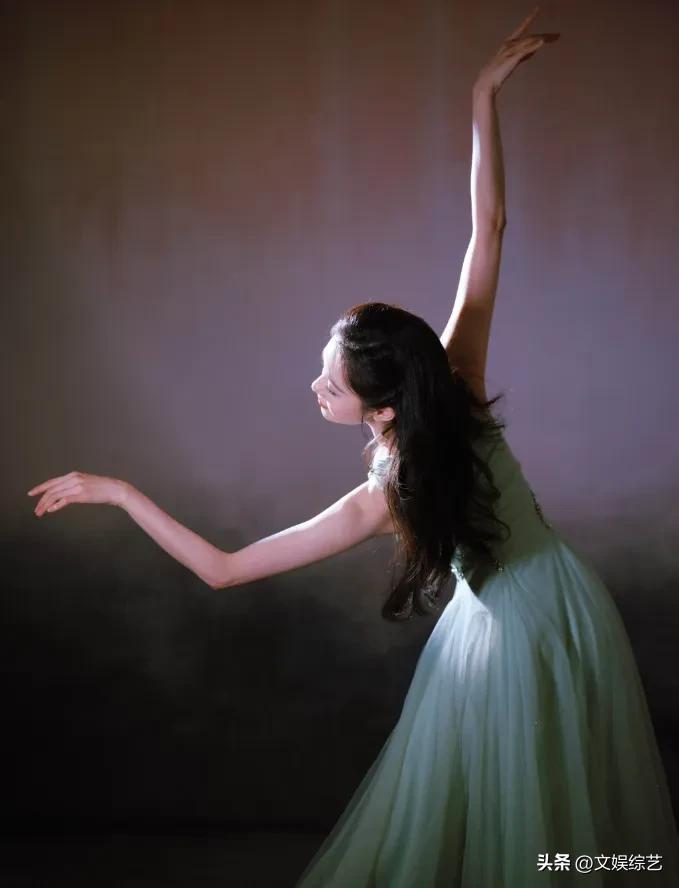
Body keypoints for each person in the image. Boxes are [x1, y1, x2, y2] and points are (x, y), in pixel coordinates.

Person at [27, 6, 679, 886]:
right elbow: (488, 230)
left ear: (381, 406)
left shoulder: (384, 492)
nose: (314, 390)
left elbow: (223, 570)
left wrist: (120, 492)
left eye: (330, 386)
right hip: (561, 596)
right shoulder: (453, 384)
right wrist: (480, 96)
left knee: (529, 825)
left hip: (517, 631)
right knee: (551, 814)